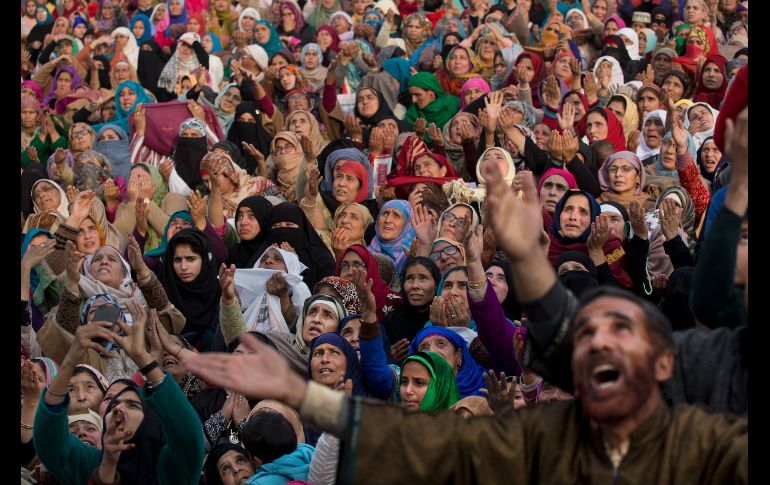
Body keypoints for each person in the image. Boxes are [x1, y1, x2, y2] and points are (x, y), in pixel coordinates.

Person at [182, 162, 746, 483]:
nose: (598, 345)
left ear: (665, 362)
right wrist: (301, 392)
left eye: (619, 333)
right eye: (589, 333)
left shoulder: (707, 446)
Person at [34, 300, 205, 484]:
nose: (118, 408)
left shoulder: (169, 470)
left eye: (132, 404)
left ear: (149, 419)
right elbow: (49, 440)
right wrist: (70, 360)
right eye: (113, 403)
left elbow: (189, 436)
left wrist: (143, 358)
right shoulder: (89, 463)